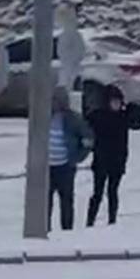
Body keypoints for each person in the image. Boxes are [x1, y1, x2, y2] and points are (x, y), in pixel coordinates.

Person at [86, 85, 140, 226]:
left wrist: (134, 108)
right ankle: (90, 221)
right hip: (101, 160)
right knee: (97, 193)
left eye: (118, 102)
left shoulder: (123, 117)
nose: (116, 105)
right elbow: (87, 122)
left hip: (117, 160)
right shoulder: (99, 116)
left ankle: (112, 220)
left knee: (112, 191)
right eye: (113, 102)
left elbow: (137, 124)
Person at [47, 87, 92, 232]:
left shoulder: (73, 119)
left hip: (65, 167)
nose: (53, 103)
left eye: (56, 100)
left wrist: (77, 157)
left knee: (66, 201)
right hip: (46, 168)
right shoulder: (44, 117)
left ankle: (67, 231)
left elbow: (88, 139)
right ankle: (44, 229)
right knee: (45, 202)